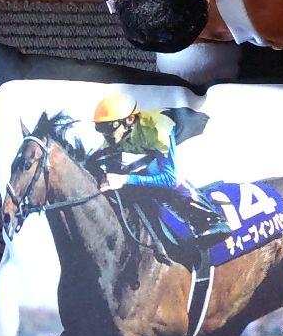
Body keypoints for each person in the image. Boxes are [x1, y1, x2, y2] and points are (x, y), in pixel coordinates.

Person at [91, 93, 226, 264]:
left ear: (130, 119)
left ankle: (212, 220)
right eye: (100, 128)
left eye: (109, 127)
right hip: (157, 142)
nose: (105, 134)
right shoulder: (113, 138)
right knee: (130, 177)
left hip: (197, 133)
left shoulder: (157, 129)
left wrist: (125, 179)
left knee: (152, 171)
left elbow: (170, 179)